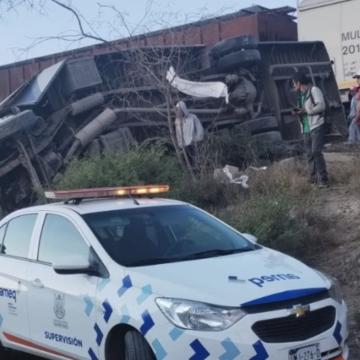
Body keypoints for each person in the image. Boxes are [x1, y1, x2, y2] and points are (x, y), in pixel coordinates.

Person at [292, 72, 330, 188]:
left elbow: (321, 106)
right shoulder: (301, 95)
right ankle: (314, 179)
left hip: (316, 125)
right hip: (306, 128)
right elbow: (306, 109)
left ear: (299, 82)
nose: (293, 86)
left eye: (294, 83)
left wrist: (306, 111)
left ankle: (324, 179)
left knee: (316, 152)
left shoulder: (314, 90)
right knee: (309, 154)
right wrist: (299, 111)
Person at [175, 101, 204, 166]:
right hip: (184, 146)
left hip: (193, 144)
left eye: (180, 111)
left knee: (196, 162)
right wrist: (180, 143)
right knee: (187, 163)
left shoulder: (193, 117)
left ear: (183, 110)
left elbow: (200, 130)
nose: (178, 113)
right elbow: (178, 134)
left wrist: (196, 139)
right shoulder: (177, 121)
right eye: (177, 111)